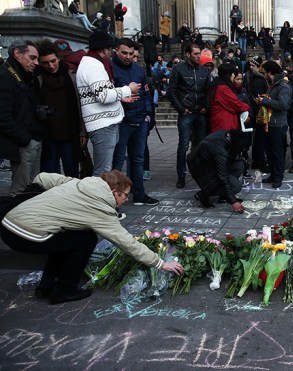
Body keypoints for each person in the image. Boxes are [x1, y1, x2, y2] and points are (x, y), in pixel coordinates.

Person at [0, 170, 184, 304]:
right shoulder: (101, 209)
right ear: (114, 192)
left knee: (70, 237)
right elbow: (126, 242)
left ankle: (47, 286)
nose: (127, 199)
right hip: (24, 235)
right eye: (125, 195)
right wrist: (161, 263)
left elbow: (43, 177)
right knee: (85, 240)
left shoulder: (81, 183)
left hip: (8, 223)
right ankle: (64, 290)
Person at [76, 31, 140, 177]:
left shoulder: (93, 63)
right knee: (102, 171)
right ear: (105, 49)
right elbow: (104, 95)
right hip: (102, 124)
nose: (111, 52)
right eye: (111, 49)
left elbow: (99, 92)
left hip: (105, 122)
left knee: (105, 168)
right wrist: (127, 90)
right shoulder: (92, 66)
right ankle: (96, 199)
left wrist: (119, 97)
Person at [111, 38, 159, 207]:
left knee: (137, 159)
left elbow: (146, 93)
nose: (128, 56)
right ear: (116, 50)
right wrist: (122, 98)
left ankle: (139, 194)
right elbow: (109, 95)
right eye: (124, 53)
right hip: (121, 121)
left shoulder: (138, 69)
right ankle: (113, 200)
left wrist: (147, 114)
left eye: (131, 54)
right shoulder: (110, 68)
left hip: (139, 120)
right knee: (117, 162)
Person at [36, 39, 86, 179]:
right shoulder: (37, 78)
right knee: (49, 175)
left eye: (53, 61)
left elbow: (80, 105)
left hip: (70, 133)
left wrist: (82, 131)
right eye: (45, 63)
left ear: (59, 58)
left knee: (72, 173)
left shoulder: (71, 76)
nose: (51, 66)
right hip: (47, 135)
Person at [0, 40, 44, 196]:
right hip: (24, 143)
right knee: (20, 192)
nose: (36, 63)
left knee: (32, 189)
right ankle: (12, 219)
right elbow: (3, 117)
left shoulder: (24, 75)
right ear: (17, 54)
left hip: (32, 140)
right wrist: (24, 139)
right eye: (32, 58)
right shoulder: (6, 76)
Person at [167, 42, 210, 188]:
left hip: (201, 113)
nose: (199, 56)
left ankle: (200, 172)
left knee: (200, 145)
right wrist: (181, 109)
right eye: (196, 54)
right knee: (183, 145)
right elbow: (171, 91)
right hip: (186, 112)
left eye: (200, 54)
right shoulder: (178, 69)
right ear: (187, 54)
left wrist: (206, 106)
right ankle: (181, 175)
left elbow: (209, 91)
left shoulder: (204, 71)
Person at [188, 129, 246, 213]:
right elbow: (223, 177)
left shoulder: (226, 135)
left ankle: (223, 195)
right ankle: (203, 194)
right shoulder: (220, 152)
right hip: (200, 168)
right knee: (236, 186)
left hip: (206, 162)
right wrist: (233, 201)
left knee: (238, 165)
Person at [255, 61, 291, 188]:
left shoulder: (283, 86)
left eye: (264, 73)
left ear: (270, 72)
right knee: (269, 152)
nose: (263, 75)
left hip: (278, 125)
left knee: (277, 152)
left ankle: (278, 177)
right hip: (269, 124)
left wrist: (264, 101)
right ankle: (273, 174)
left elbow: (283, 105)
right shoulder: (272, 84)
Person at [210, 63, 249, 132]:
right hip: (224, 125)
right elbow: (236, 104)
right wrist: (246, 107)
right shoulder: (223, 88)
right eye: (233, 73)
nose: (234, 75)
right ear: (228, 75)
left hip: (224, 123)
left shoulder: (219, 85)